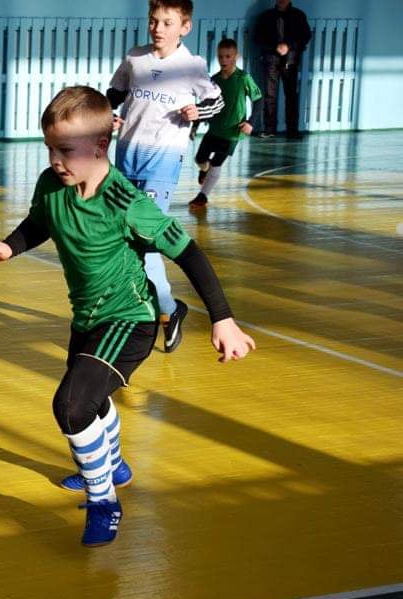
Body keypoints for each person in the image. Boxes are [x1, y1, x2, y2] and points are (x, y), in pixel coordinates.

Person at [0, 86, 255, 546]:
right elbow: (41, 222)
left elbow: (188, 252)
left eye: (66, 150)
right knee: (93, 401)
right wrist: (11, 245)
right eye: (49, 148)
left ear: (101, 145)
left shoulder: (126, 203)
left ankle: (103, 500)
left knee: (71, 405)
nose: (55, 160)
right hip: (87, 318)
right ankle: (115, 465)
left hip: (130, 319)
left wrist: (222, 319)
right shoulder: (52, 185)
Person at [107, 0, 224, 354]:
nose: (158, 28)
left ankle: (160, 310)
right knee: (122, 237)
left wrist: (197, 111)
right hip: (126, 156)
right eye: (153, 21)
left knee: (145, 237)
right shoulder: (135, 58)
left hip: (163, 162)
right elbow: (114, 93)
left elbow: (217, 102)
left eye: (167, 22)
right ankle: (168, 309)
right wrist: (107, 115)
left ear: (185, 27)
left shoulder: (191, 65)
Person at [188, 38, 264, 209]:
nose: (224, 60)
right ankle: (204, 170)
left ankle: (202, 196)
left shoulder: (243, 78)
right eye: (221, 56)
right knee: (200, 159)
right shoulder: (214, 80)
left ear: (236, 57)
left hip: (232, 132)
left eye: (228, 56)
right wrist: (195, 125)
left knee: (217, 162)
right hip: (214, 129)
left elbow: (258, 100)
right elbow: (205, 105)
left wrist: (251, 122)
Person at [254, 0, 312, 138]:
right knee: (270, 94)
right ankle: (269, 129)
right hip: (270, 59)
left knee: (291, 95)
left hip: (290, 60)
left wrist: (288, 46)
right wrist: (275, 47)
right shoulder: (266, 16)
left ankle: (292, 130)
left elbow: (305, 36)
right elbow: (258, 38)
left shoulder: (298, 15)